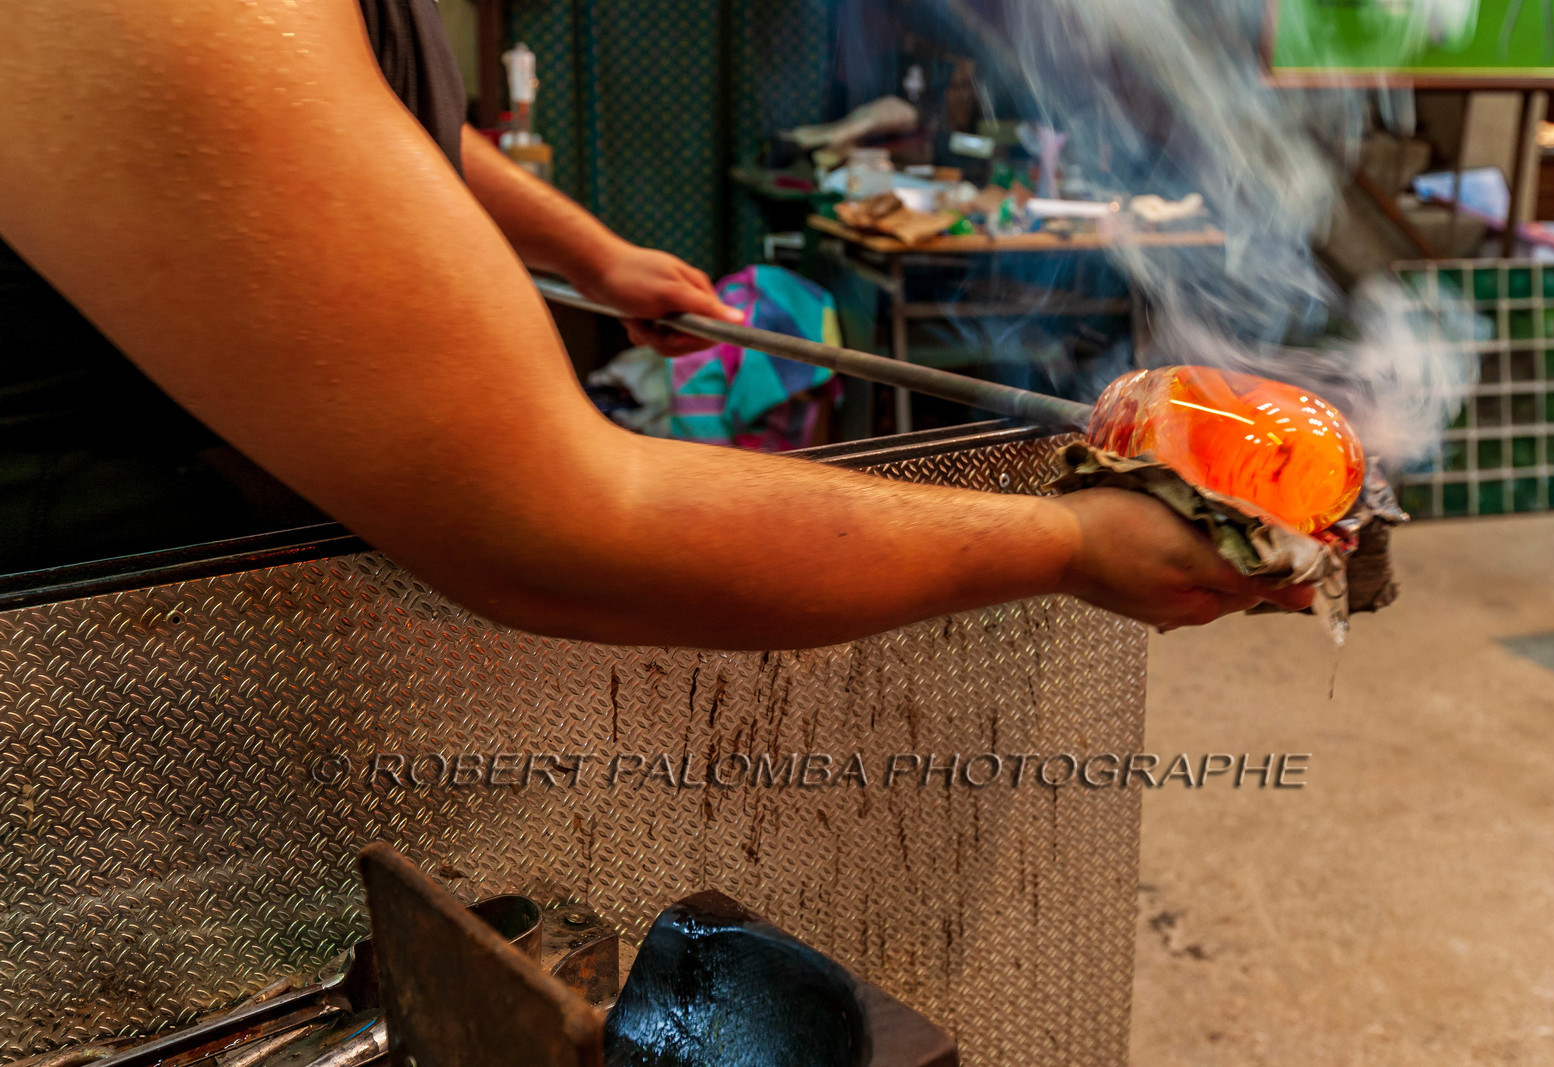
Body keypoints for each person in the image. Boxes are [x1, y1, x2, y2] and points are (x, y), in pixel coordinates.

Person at [0, 0, 1311, 650]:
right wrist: (1071, 542)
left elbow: (373, 127)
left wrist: (593, 253)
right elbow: (563, 524)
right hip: (102, 656)